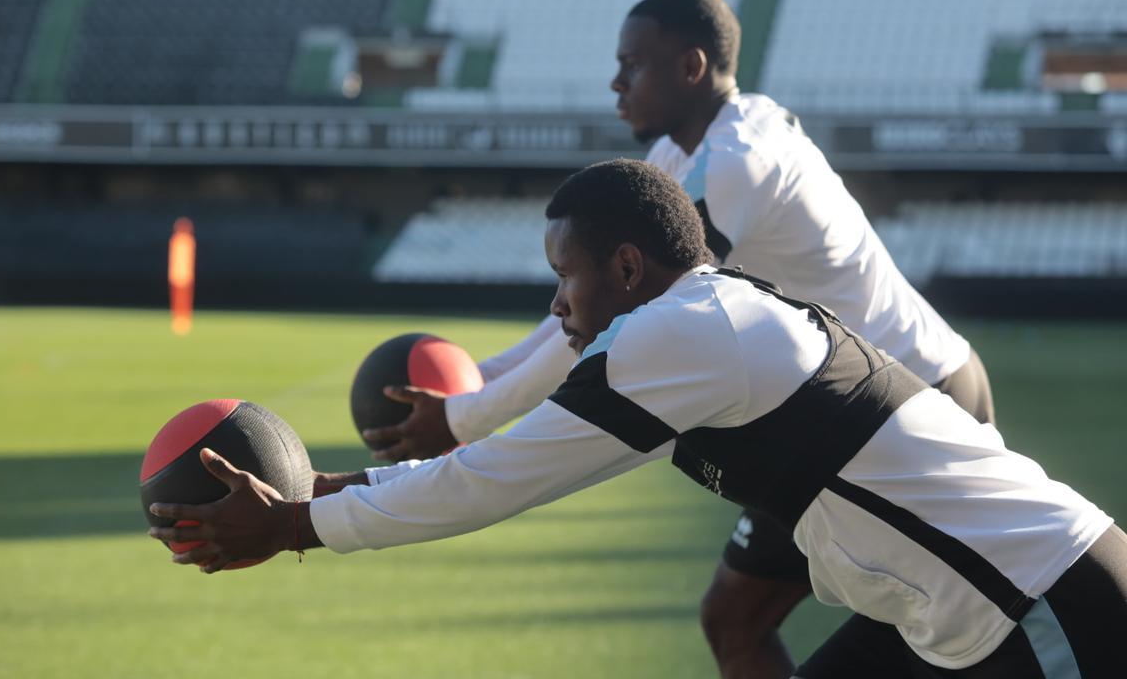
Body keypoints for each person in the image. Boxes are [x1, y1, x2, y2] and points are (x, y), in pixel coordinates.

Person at [150, 160, 1126, 677]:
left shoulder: (679, 335)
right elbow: (496, 456)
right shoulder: (699, 324)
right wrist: (318, 491)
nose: (556, 303)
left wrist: (297, 524)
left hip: (1042, 600)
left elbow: (496, 476)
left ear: (624, 267)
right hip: (964, 615)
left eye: (562, 275)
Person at [362, 0, 995, 678]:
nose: (614, 82)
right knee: (739, 619)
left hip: (908, 399)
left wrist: (464, 418)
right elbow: (592, 312)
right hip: (853, 404)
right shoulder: (684, 151)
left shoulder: (735, 164)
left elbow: (622, 324)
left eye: (632, 64)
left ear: (691, 67)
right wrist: (482, 377)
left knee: (937, 634)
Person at [168, 217, 196, 335]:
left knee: (185, 298)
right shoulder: (175, 240)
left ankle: (184, 319)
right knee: (176, 298)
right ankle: (177, 318)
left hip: (185, 273)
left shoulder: (189, 241)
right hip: (176, 272)